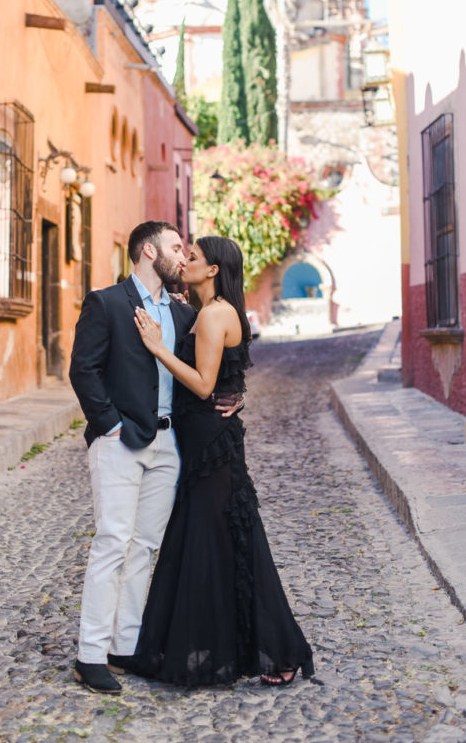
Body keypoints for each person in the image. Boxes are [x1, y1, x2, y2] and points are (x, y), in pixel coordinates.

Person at [131, 235, 315, 687]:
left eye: (191, 257)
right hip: (203, 442)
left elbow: (203, 384)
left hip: (212, 446)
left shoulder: (215, 315)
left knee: (226, 541)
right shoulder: (206, 312)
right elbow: (230, 375)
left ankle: (278, 651)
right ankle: (214, 648)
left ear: (213, 270)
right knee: (211, 541)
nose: (184, 261)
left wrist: (159, 348)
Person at [69, 220, 241, 694]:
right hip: (121, 441)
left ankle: (124, 646)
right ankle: (90, 654)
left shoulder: (184, 316)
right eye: (175, 247)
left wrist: (235, 392)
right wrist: (111, 426)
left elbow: (212, 363)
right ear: (148, 251)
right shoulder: (106, 303)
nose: (183, 256)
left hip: (169, 445)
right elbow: (83, 371)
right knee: (112, 542)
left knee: (144, 545)